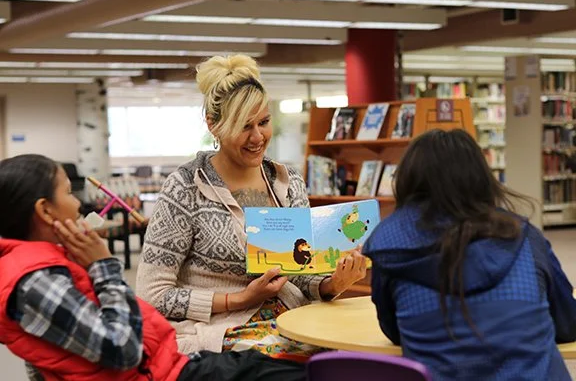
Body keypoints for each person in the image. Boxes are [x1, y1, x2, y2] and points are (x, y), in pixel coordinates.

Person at [136, 54, 367, 358]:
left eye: (264, 122)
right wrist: (240, 298)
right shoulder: (184, 188)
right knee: (298, 364)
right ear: (213, 125)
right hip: (224, 332)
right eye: (244, 126)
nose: (258, 137)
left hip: (293, 318)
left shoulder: (287, 182)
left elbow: (300, 272)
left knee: (352, 357)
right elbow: (151, 295)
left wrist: (333, 283)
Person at [0, 154, 306, 381]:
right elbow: (122, 348)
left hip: (165, 362)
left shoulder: (44, 265)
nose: (79, 204)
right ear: (44, 210)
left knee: (281, 368)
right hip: (158, 372)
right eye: (68, 193)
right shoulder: (35, 281)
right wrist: (102, 266)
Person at [363, 129, 576, 380]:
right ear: (482, 178)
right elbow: (568, 323)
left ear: (408, 181)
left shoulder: (388, 248)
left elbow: (394, 331)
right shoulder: (525, 239)